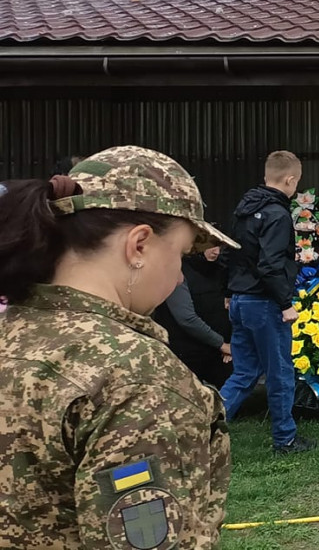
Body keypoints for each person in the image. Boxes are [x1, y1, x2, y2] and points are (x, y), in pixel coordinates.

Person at [0, 147, 239, 549]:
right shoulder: (135, 375)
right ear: (139, 245)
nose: (181, 277)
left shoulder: (14, 334)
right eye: (180, 255)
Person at [218, 151, 314, 454]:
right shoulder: (277, 214)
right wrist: (285, 302)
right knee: (280, 372)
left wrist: (229, 291)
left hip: (240, 301)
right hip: (265, 303)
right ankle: (285, 439)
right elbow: (271, 264)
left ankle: (200, 430)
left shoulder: (243, 210)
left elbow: (232, 253)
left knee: (244, 373)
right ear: (291, 180)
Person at [153, 246, 233, 387]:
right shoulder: (178, 270)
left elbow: (228, 310)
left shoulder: (222, 269)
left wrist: (229, 344)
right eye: (211, 246)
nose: (216, 251)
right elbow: (186, 318)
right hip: (185, 352)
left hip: (216, 351)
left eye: (219, 247)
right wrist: (222, 344)